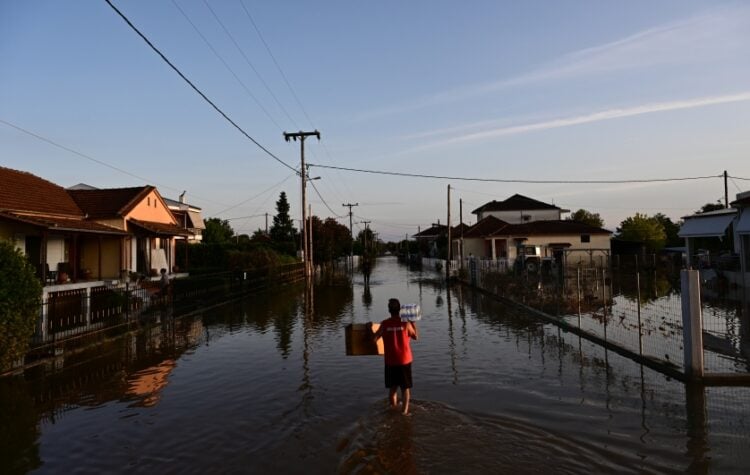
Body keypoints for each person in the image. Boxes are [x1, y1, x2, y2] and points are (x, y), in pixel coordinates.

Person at [371, 298, 418, 415]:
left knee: (393, 388)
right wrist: (413, 322)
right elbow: (416, 336)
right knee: (405, 388)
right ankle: (405, 412)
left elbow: (374, 340)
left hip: (391, 361)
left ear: (389, 310)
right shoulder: (406, 323)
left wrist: (368, 328)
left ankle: (393, 409)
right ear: (400, 310)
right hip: (404, 360)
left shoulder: (384, 324)